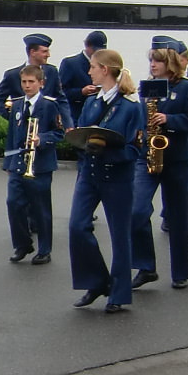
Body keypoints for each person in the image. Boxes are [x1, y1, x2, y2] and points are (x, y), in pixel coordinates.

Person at [67, 49, 145, 315]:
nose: (89, 72)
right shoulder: (91, 102)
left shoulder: (131, 107)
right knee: (77, 226)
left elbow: (136, 148)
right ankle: (97, 281)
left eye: (93, 67)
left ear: (106, 69)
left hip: (117, 177)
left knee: (120, 236)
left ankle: (119, 294)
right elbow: (82, 134)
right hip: (89, 174)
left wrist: (109, 151)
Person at [130, 35, 188, 290]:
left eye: (158, 61)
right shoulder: (148, 85)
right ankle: (146, 267)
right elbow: (141, 117)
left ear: (170, 62)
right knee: (137, 210)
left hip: (176, 159)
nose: (152, 65)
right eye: (151, 60)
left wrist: (169, 119)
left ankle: (180, 272)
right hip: (147, 157)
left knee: (177, 216)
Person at [3, 62, 69, 263]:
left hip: (40, 166)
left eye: (31, 82)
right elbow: (12, 136)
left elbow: (59, 133)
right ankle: (22, 244)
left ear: (41, 83)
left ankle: (44, 250)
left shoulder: (49, 105)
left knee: (41, 209)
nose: (27, 85)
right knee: (13, 203)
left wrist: (42, 139)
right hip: (18, 164)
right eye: (24, 82)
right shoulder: (16, 105)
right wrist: (8, 162)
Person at [0, 33, 62, 119]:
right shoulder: (12, 75)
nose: (48, 55)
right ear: (32, 52)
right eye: (44, 51)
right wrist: (14, 118)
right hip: (23, 124)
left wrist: (66, 121)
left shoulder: (52, 71)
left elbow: (61, 98)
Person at [57, 30, 105, 117]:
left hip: (99, 114)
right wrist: (81, 92)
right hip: (76, 114)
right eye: (95, 50)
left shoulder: (105, 64)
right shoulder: (70, 63)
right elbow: (60, 93)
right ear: (87, 46)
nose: (98, 54)